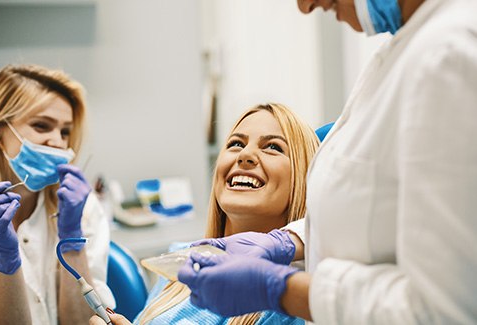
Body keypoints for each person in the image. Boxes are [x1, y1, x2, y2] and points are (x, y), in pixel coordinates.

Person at [177, 0, 477, 324]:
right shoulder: (407, 49)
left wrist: (280, 289)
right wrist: (289, 240)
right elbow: (370, 213)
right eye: (235, 143)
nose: (305, 6)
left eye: (274, 148)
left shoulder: (451, 56)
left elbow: (447, 310)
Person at [89, 103, 320, 324]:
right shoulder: (180, 260)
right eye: (235, 144)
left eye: (273, 147)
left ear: (304, 179)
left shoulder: (290, 302)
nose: (245, 155)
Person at [0, 64, 115, 324]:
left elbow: (83, 323)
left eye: (65, 131)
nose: (59, 142)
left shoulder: (81, 207)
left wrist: (71, 237)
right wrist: (4, 255)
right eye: (42, 126)